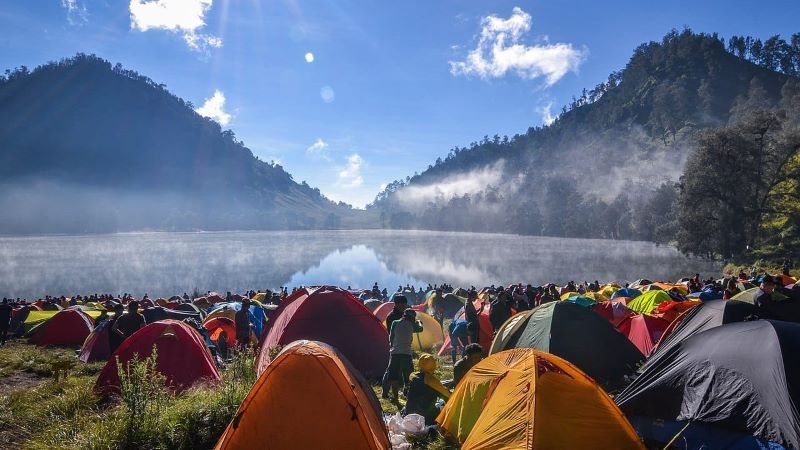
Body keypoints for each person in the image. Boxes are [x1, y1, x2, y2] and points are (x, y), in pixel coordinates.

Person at [382, 308, 423, 402]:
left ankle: (395, 397)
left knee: (393, 376)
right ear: (412, 318)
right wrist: (419, 322)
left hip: (395, 353)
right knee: (408, 376)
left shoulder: (395, 323)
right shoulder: (412, 324)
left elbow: (391, 338)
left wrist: (393, 347)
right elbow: (421, 329)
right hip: (406, 353)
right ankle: (408, 394)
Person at [403, 353, 451, 425]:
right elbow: (447, 394)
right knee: (443, 400)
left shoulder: (413, 375)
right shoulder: (430, 379)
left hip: (409, 411)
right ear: (433, 366)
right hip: (424, 417)